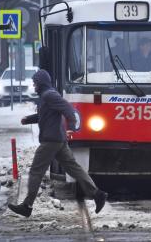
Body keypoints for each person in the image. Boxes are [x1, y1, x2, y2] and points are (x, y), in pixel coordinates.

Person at [8, 69, 107, 217]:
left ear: (40, 82)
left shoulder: (49, 95)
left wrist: (73, 126)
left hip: (51, 140)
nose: (33, 85)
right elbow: (45, 115)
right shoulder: (46, 96)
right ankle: (97, 194)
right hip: (58, 140)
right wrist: (28, 119)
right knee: (74, 168)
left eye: (35, 82)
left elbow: (68, 109)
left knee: (36, 171)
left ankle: (27, 206)